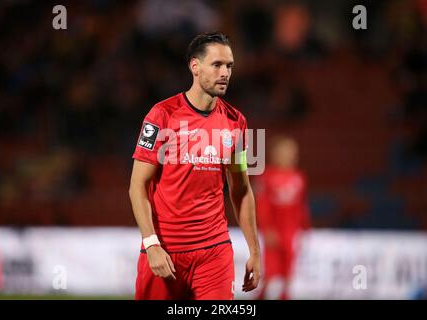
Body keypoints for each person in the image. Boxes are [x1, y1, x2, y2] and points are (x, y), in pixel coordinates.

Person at [129, 32, 261, 300]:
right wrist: (151, 244)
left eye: (229, 66)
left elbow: (242, 190)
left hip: (214, 252)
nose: (225, 73)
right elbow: (137, 187)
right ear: (195, 66)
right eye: (217, 65)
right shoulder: (162, 115)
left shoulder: (236, 122)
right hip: (166, 251)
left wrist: (255, 251)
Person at [254, 135, 310, 300]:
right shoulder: (266, 177)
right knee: (270, 265)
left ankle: (285, 294)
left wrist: (305, 226)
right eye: (285, 152)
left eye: (292, 153)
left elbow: (301, 205)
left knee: (288, 264)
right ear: (275, 154)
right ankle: (262, 293)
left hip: (291, 229)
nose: (290, 156)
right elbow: (262, 205)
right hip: (274, 227)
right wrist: (266, 227)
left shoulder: (299, 177)